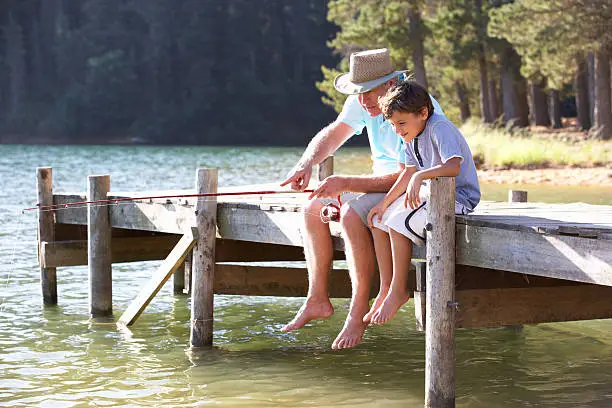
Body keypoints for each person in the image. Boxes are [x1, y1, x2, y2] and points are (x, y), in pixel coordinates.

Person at [280, 48, 444, 350]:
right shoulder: (364, 102)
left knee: (352, 214)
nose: (363, 100)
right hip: (379, 185)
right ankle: (317, 299)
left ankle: (356, 315)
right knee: (312, 210)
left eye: (368, 92)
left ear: (390, 84)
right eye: (359, 92)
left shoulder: (413, 107)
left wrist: (347, 183)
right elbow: (333, 133)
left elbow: (409, 174)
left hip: (411, 188)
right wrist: (304, 164)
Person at [365, 80, 480, 325]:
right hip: (433, 196)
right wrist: (384, 203)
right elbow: (408, 171)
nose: (397, 130)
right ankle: (389, 286)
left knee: (397, 223)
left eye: (401, 123)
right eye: (393, 125)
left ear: (423, 113)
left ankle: (398, 290)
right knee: (381, 219)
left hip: (458, 198)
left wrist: (421, 175)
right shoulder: (411, 135)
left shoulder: (440, 128)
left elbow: (453, 166)